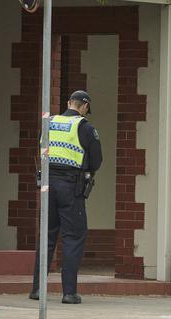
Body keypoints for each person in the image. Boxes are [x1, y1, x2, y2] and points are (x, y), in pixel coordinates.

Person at [30, 90, 103, 304]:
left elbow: (42, 149)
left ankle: (37, 289)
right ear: (85, 106)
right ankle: (69, 292)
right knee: (74, 236)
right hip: (71, 187)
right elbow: (97, 161)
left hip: (47, 185)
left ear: (69, 103)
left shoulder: (49, 122)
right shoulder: (85, 127)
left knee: (47, 235)